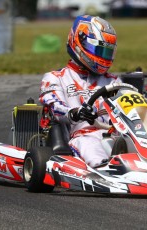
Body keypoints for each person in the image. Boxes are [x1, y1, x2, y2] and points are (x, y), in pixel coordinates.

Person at [39, 15, 120, 168]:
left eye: (107, 52)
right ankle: (103, 170)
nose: (103, 57)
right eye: (99, 50)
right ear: (80, 43)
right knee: (88, 143)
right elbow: (55, 107)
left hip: (115, 136)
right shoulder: (55, 78)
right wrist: (75, 113)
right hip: (78, 137)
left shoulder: (114, 81)